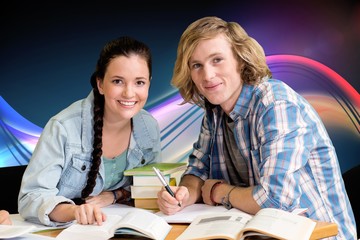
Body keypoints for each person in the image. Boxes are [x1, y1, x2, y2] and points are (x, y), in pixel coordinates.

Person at [157, 16, 356, 239]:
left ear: (240, 60)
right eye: (197, 65)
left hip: (319, 235)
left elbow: (275, 200)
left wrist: (218, 191)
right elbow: (197, 171)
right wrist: (185, 193)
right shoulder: (213, 113)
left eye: (217, 60)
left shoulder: (276, 105)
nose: (208, 75)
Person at [18, 36, 161, 227]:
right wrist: (74, 211)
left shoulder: (148, 126)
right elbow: (30, 198)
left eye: (139, 82)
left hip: (118, 226)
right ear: (100, 84)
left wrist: (114, 196)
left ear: (149, 83)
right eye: (118, 81)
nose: (129, 93)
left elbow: (150, 187)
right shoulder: (63, 127)